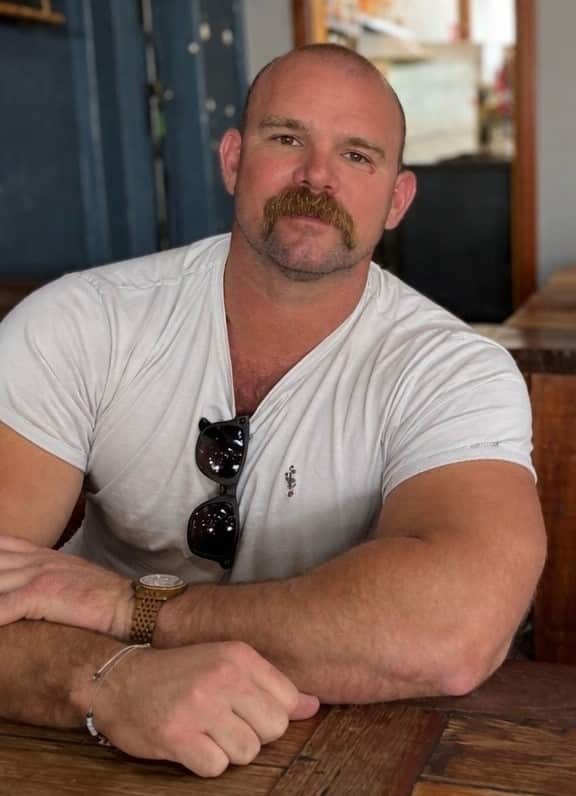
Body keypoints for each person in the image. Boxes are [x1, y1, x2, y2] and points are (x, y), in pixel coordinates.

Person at [0, 43, 545, 777]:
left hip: (340, 752)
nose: (317, 176)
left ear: (396, 199)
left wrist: (126, 608)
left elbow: (453, 632)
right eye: (287, 138)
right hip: (79, 734)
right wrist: (108, 681)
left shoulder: (452, 368)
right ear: (232, 159)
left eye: (357, 155)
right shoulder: (80, 320)